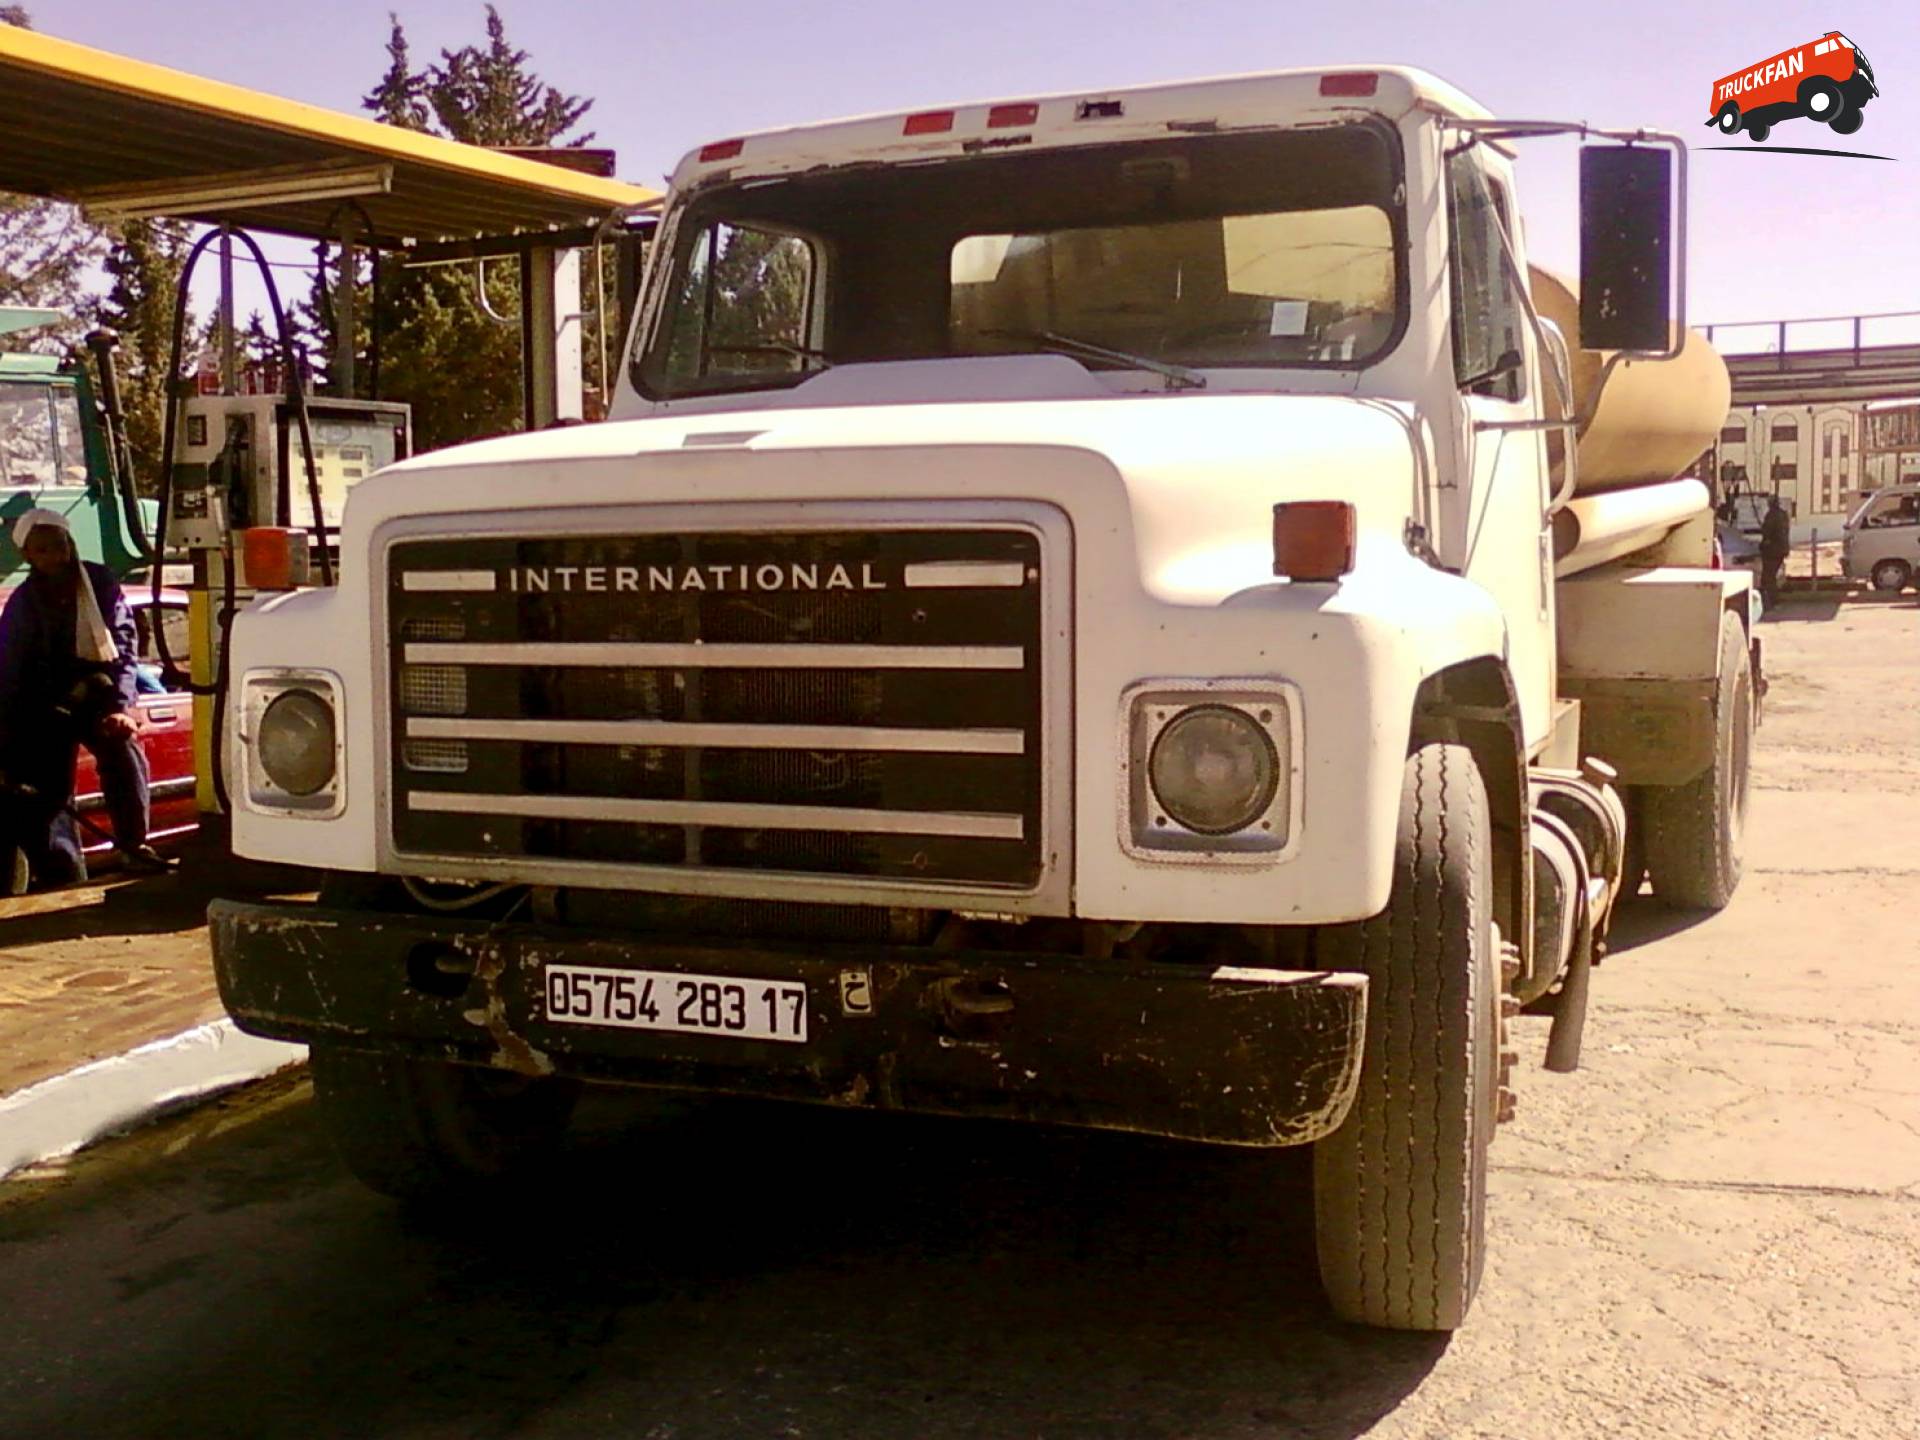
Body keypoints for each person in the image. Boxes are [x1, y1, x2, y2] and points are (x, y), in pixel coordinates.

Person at [0, 507, 169, 886]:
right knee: (48, 791)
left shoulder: (99, 582)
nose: (54, 557)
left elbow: (122, 642)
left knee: (122, 751)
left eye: (59, 546)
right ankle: (64, 875)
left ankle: (134, 847)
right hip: (46, 705)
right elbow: (9, 671)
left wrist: (122, 707)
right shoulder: (23, 604)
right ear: (28, 555)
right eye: (43, 550)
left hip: (98, 693)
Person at [1759, 496, 1792, 609]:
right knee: (1772, 576)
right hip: (1782, 550)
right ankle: (1773, 600)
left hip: (1772, 551)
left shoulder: (1771, 515)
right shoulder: (1783, 515)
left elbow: (1766, 532)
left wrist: (1763, 544)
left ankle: (1772, 601)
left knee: (1768, 577)